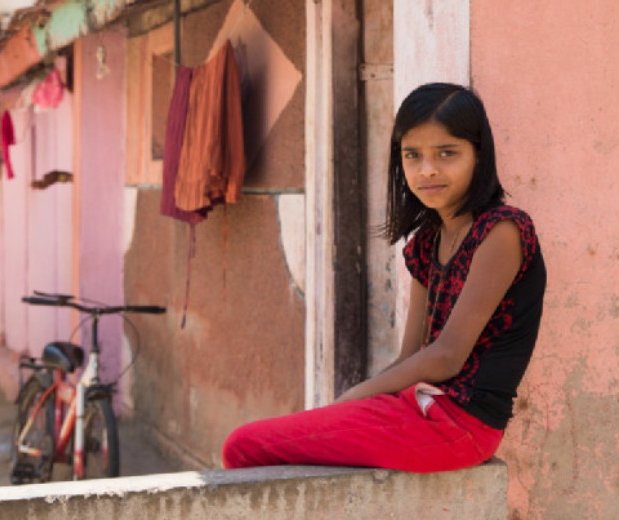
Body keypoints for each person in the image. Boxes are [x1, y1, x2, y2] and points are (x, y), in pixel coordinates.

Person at [222, 83, 546, 473]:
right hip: (423, 406)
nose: (427, 169)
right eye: (413, 155)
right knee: (253, 444)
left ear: (479, 154)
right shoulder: (427, 243)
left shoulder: (503, 231)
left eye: (447, 153)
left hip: (462, 426)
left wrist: (351, 399)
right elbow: (411, 355)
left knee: (243, 446)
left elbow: (445, 356)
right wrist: (356, 405)